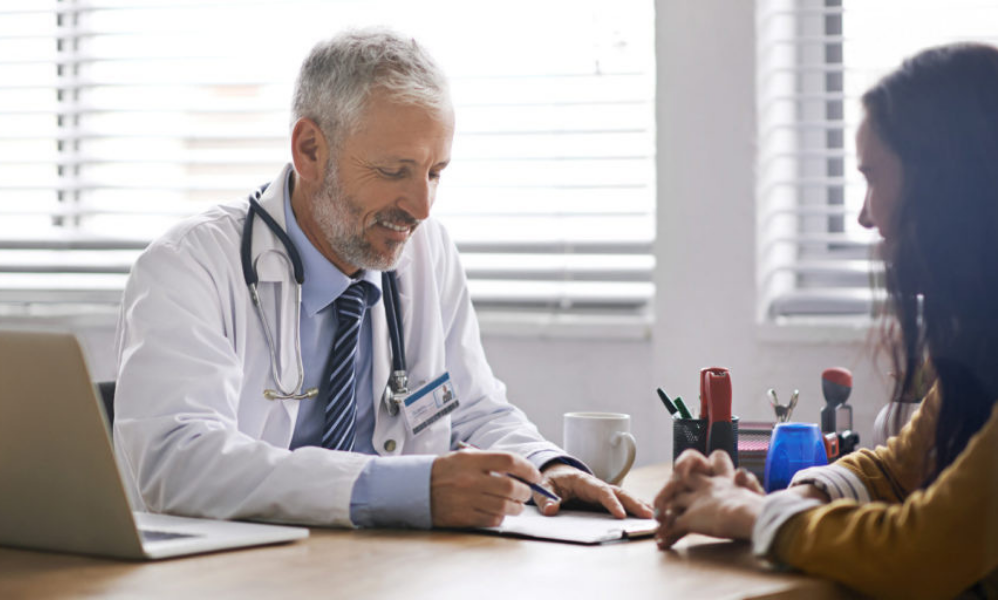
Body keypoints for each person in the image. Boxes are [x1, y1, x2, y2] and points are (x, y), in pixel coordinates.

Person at [113, 28, 651, 530]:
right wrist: (397, 487)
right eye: (395, 172)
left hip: (391, 569)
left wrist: (545, 467)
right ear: (310, 151)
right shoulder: (188, 267)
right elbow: (176, 462)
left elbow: (472, 406)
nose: (420, 206)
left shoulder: (426, 251)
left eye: (435, 173)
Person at [653, 43, 998, 599]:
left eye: (874, 177)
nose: (864, 214)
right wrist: (783, 500)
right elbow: (898, 469)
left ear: (948, 185)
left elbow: (926, 550)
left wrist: (754, 515)